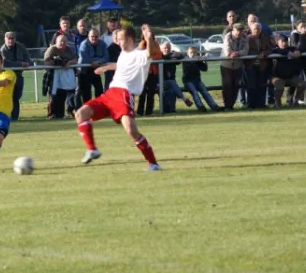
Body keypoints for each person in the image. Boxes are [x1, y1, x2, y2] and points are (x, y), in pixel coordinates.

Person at [74, 25, 162, 172]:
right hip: (109, 94)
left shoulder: (139, 54)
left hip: (123, 94)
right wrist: (106, 68)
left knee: (131, 130)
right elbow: (122, 65)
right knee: (80, 114)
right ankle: (92, 149)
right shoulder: (123, 54)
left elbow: (150, 53)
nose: (117, 41)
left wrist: (148, 37)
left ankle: (153, 163)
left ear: (129, 39)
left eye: (120, 39)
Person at [0, 32, 31, 121]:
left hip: (18, 75)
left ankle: (15, 117)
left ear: (15, 39)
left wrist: (27, 62)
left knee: (16, 97)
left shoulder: (21, 47)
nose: (10, 40)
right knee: (8, 97)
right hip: (7, 76)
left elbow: (28, 58)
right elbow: (5, 63)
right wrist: (21, 64)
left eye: (12, 38)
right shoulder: (3, 50)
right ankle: (6, 116)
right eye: (8, 38)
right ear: (5, 39)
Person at [182, 47, 223, 112]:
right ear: (187, 53)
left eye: (194, 53)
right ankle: (200, 107)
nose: (193, 54)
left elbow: (204, 69)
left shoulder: (198, 60)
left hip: (197, 81)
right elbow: (190, 69)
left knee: (205, 92)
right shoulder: (185, 60)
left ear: (197, 53)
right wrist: (198, 59)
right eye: (191, 53)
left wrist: (204, 61)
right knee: (195, 92)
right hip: (188, 81)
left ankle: (214, 107)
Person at [271, 34, 305, 107]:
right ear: (277, 42)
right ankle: (277, 103)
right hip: (277, 77)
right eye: (282, 41)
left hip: (290, 77)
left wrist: (298, 52)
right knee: (279, 86)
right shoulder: (274, 50)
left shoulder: (292, 49)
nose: (284, 43)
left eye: (285, 41)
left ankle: (296, 101)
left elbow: (299, 50)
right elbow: (280, 51)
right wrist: (289, 53)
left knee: (302, 84)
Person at [220, 23, 248, 110]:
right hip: (226, 65)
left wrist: (237, 53)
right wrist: (235, 53)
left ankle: (231, 105)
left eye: (240, 30)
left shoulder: (245, 37)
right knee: (227, 85)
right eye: (237, 30)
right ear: (233, 30)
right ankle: (227, 105)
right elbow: (227, 50)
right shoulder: (228, 37)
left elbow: (245, 51)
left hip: (238, 65)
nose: (239, 33)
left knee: (236, 86)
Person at [78, 29, 108, 103]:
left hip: (96, 70)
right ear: (88, 36)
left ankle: (98, 109)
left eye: (96, 36)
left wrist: (97, 62)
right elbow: (85, 58)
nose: (94, 38)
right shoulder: (84, 44)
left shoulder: (103, 44)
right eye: (92, 36)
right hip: (84, 71)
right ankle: (87, 111)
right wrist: (97, 61)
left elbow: (106, 57)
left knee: (99, 91)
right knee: (86, 93)